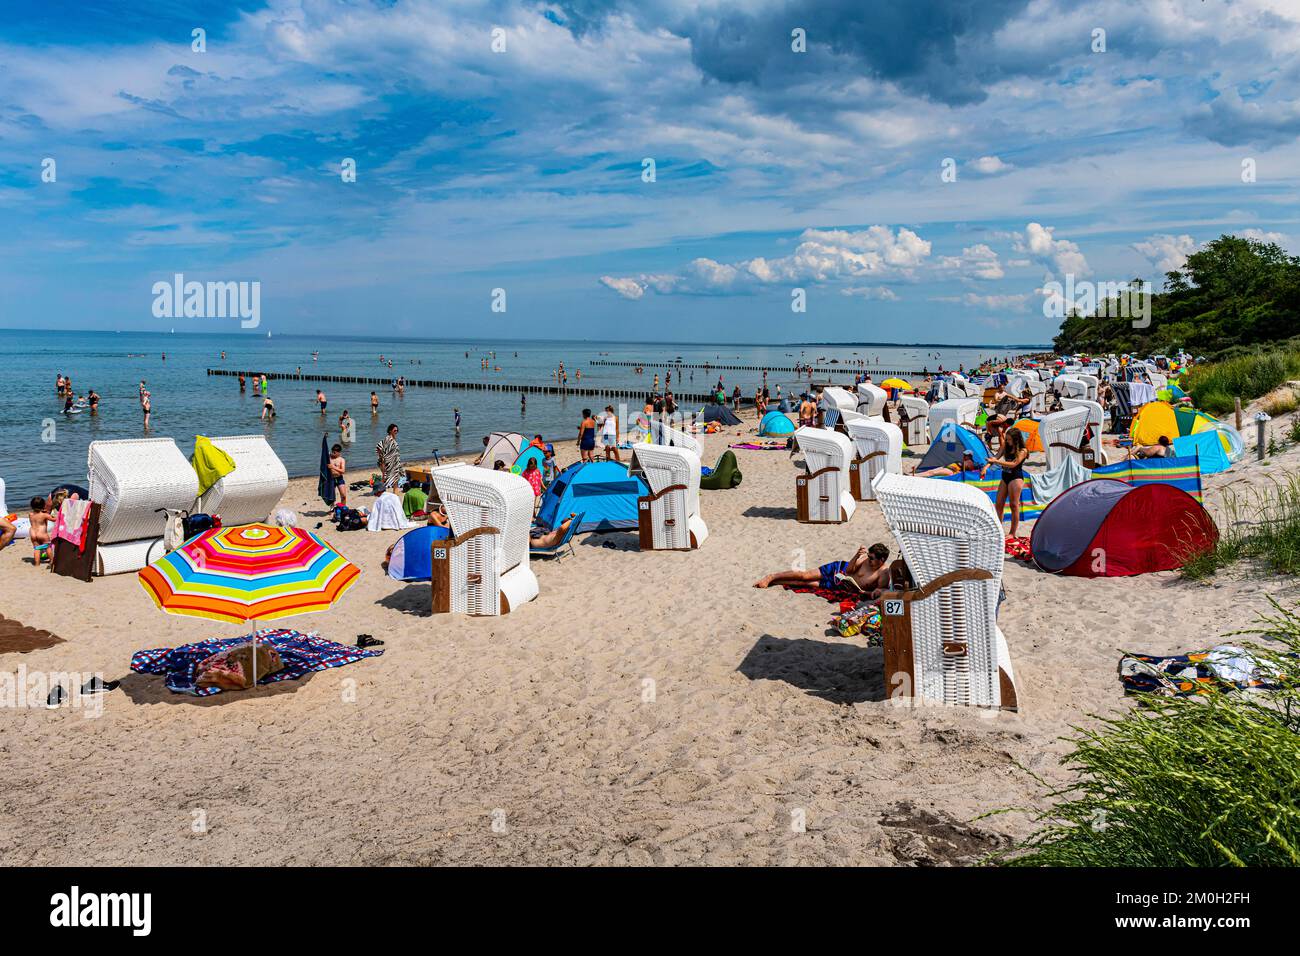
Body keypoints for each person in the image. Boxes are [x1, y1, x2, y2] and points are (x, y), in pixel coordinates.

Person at [753, 543, 892, 595]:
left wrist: (863, 592)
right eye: (869, 556)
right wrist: (857, 556)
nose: (870, 559)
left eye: (873, 558)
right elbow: (849, 571)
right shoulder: (865, 559)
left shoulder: (883, 573)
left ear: (882, 560)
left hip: (842, 585)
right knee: (805, 576)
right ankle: (772, 576)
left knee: (807, 584)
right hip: (839, 569)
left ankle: (776, 583)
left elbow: (878, 592)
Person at [984, 427, 1028, 538]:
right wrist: (986, 467)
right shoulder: (1005, 446)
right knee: (999, 504)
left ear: (1016, 439)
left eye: (1009, 439)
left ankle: (1012, 533)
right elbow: (996, 457)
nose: (1007, 441)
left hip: (1016, 478)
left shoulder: (1023, 450)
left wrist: (996, 461)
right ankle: (999, 530)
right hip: (1005, 477)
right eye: (1006, 439)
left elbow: (1014, 464)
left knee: (1014, 505)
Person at [915, 449, 981, 477]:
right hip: (947, 466)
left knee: (932, 473)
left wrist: (958, 472)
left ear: (970, 456)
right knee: (930, 471)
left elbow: (965, 473)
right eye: (964, 454)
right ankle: (915, 474)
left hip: (951, 470)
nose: (964, 456)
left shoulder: (969, 463)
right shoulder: (966, 461)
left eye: (966, 455)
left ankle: (914, 476)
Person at [28, 497, 55, 566]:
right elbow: (54, 519)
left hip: (33, 534)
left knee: (37, 549)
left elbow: (37, 516)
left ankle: (37, 564)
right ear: (43, 506)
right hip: (42, 534)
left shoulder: (30, 514)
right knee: (48, 547)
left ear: (31, 506)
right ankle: (52, 561)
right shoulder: (44, 515)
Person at [377, 423, 401, 491]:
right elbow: (379, 447)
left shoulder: (391, 439)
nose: (396, 432)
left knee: (390, 479)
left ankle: (383, 492)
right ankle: (393, 494)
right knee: (392, 479)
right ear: (390, 431)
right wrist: (383, 462)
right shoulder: (389, 439)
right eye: (394, 430)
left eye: (397, 430)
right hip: (388, 463)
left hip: (392, 463)